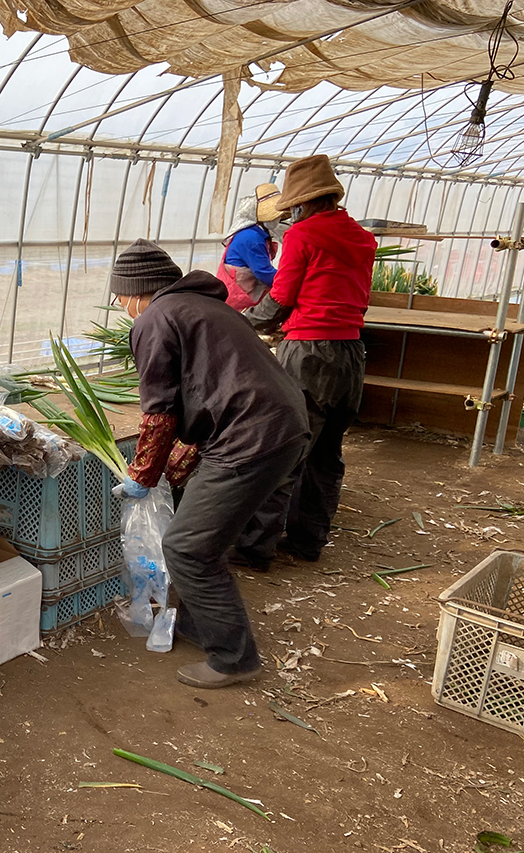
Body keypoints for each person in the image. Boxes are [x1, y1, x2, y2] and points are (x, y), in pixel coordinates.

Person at [110, 240, 309, 688]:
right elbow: (209, 393)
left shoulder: (155, 318)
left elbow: (160, 412)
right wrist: (172, 467)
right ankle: (202, 627)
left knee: (186, 546)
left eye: (120, 297)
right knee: (203, 538)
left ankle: (234, 658)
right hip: (282, 424)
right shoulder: (205, 307)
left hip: (251, 436)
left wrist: (143, 475)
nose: (121, 305)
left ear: (137, 291)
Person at [247, 154, 377, 563]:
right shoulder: (361, 236)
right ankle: (308, 542)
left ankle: (255, 548)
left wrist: (240, 323)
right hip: (351, 354)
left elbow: (281, 299)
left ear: (303, 204)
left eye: (293, 207)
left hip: (308, 352)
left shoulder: (303, 236)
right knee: (327, 452)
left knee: (286, 448)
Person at [218, 183, 285, 311]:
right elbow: (263, 272)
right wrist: (288, 282)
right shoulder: (251, 238)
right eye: (274, 216)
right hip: (238, 298)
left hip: (243, 293)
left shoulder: (257, 234)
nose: (277, 219)